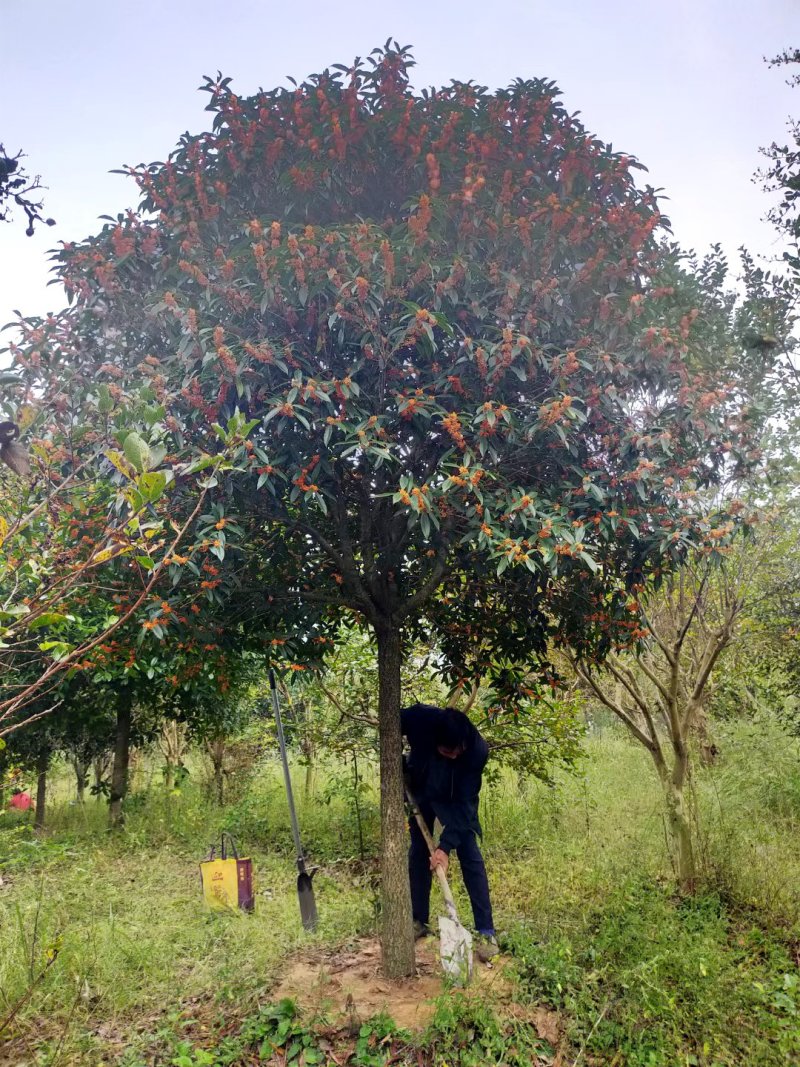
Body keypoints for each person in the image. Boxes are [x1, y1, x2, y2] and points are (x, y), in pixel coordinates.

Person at [400, 702, 499, 962]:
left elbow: (466, 807)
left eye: (457, 752)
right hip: (421, 790)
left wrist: (444, 847)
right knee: (418, 852)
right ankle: (418, 920)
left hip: (454, 801)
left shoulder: (477, 751)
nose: (453, 757)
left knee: (469, 852)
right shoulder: (420, 719)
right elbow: (391, 722)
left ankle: (486, 931)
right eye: (446, 752)